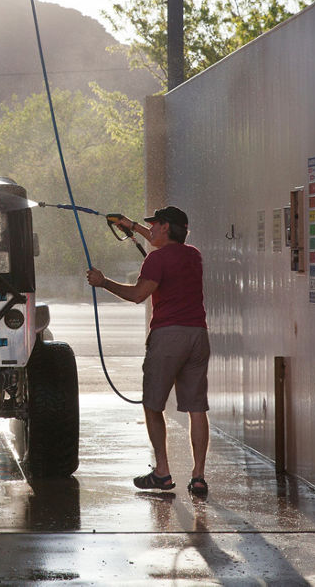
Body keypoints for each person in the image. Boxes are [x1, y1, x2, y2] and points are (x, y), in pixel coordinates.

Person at [86, 205, 210, 496]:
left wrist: (103, 282)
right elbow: (160, 242)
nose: (150, 228)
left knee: (153, 405)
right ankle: (199, 477)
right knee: (196, 408)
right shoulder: (194, 255)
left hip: (168, 337)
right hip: (198, 336)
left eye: (154, 224)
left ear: (166, 227)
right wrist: (130, 226)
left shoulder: (156, 260)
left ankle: (162, 473)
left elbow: (138, 295)